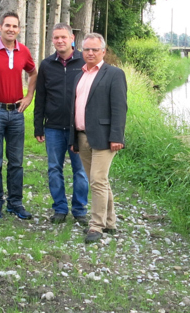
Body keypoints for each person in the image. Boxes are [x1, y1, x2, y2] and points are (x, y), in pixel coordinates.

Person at [70, 33, 127, 244]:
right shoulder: (80, 75)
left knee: (96, 181)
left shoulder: (114, 74)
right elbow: (74, 109)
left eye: (95, 49)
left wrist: (116, 137)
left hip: (105, 138)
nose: (90, 53)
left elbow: (119, 108)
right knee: (100, 181)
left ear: (103, 51)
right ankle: (110, 221)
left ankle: (96, 226)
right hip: (83, 136)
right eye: (87, 49)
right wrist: (73, 139)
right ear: (81, 51)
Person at [0, 12, 37, 220]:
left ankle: (15, 203)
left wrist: (29, 96)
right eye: (7, 25)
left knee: (16, 162)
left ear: (19, 29)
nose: (11, 29)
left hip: (16, 112)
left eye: (15, 26)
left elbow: (33, 73)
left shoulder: (23, 51)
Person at [34, 23, 89, 226]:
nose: (60, 41)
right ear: (52, 40)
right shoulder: (47, 65)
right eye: (56, 37)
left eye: (63, 37)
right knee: (54, 168)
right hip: (54, 127)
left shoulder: (84, 61)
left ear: (72, 38)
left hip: (79, 128)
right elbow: (41, 97)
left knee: (80, 170)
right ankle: (59, 208)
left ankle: (80, 209)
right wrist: (38, 126)